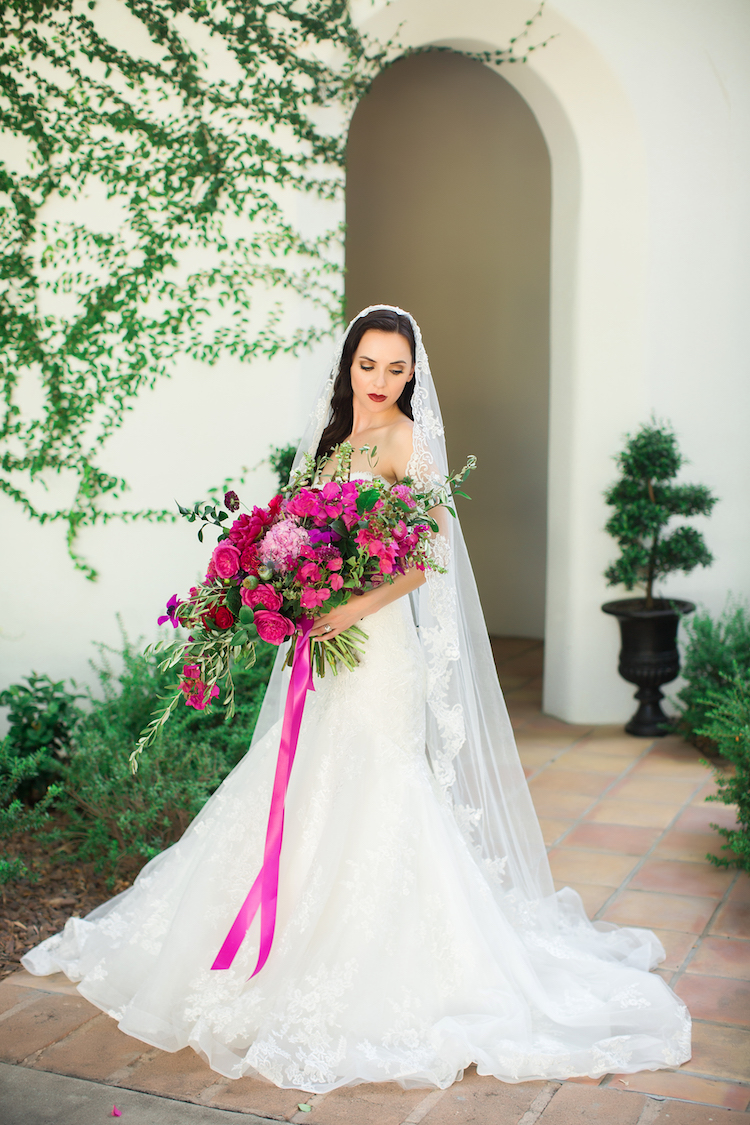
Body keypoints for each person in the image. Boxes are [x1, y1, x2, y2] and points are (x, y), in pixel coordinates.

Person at [22, 305, 691, 1091]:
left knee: (380, 786)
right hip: (322, 646)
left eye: (395, 369)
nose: (379, 382)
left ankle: (386, 959)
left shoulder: (409, 441)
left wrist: (345, 607)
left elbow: (423, 561)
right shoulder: (334, 446)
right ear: (347, 366)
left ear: (413, 374)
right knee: (300, 776)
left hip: (379, 651)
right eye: (368, 365)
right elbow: (299, 541)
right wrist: (282, 587)